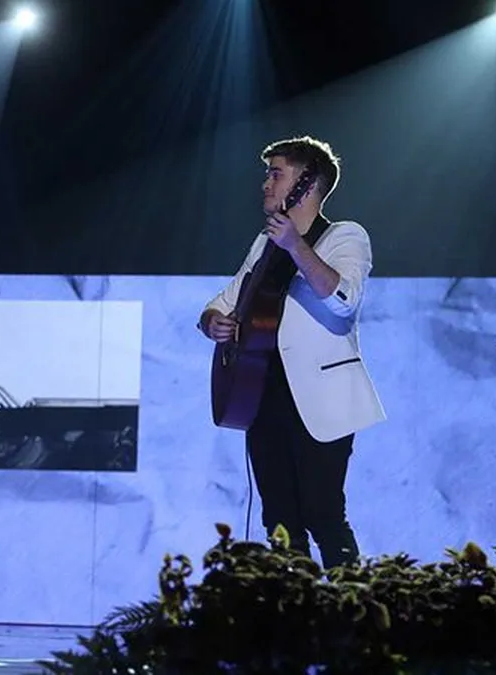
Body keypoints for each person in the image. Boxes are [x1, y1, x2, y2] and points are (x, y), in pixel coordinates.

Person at [199, 136, 385, 569]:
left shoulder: (344, 236)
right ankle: (293, 602)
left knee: (324, 515)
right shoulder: (264, 244)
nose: (266, 183)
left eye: (276, 174)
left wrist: (295, 246)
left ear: (307, 183)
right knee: (279, 520)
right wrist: (213, 322)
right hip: (263, 396)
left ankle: (353, 603)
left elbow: (343, 299)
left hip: (320, 400)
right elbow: (222, 302)